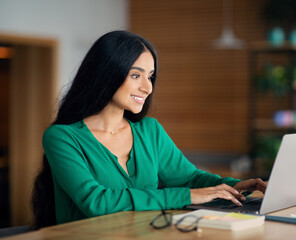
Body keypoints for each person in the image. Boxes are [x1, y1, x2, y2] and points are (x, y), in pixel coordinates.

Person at [31, 30, 266, 229]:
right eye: (136, 75)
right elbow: (96, 201)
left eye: (151, 76)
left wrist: (233, 186)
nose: (147, 87)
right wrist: (186, 196)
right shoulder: (62, 138)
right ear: (107, 73)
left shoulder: (149, 131)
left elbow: (190, 178)